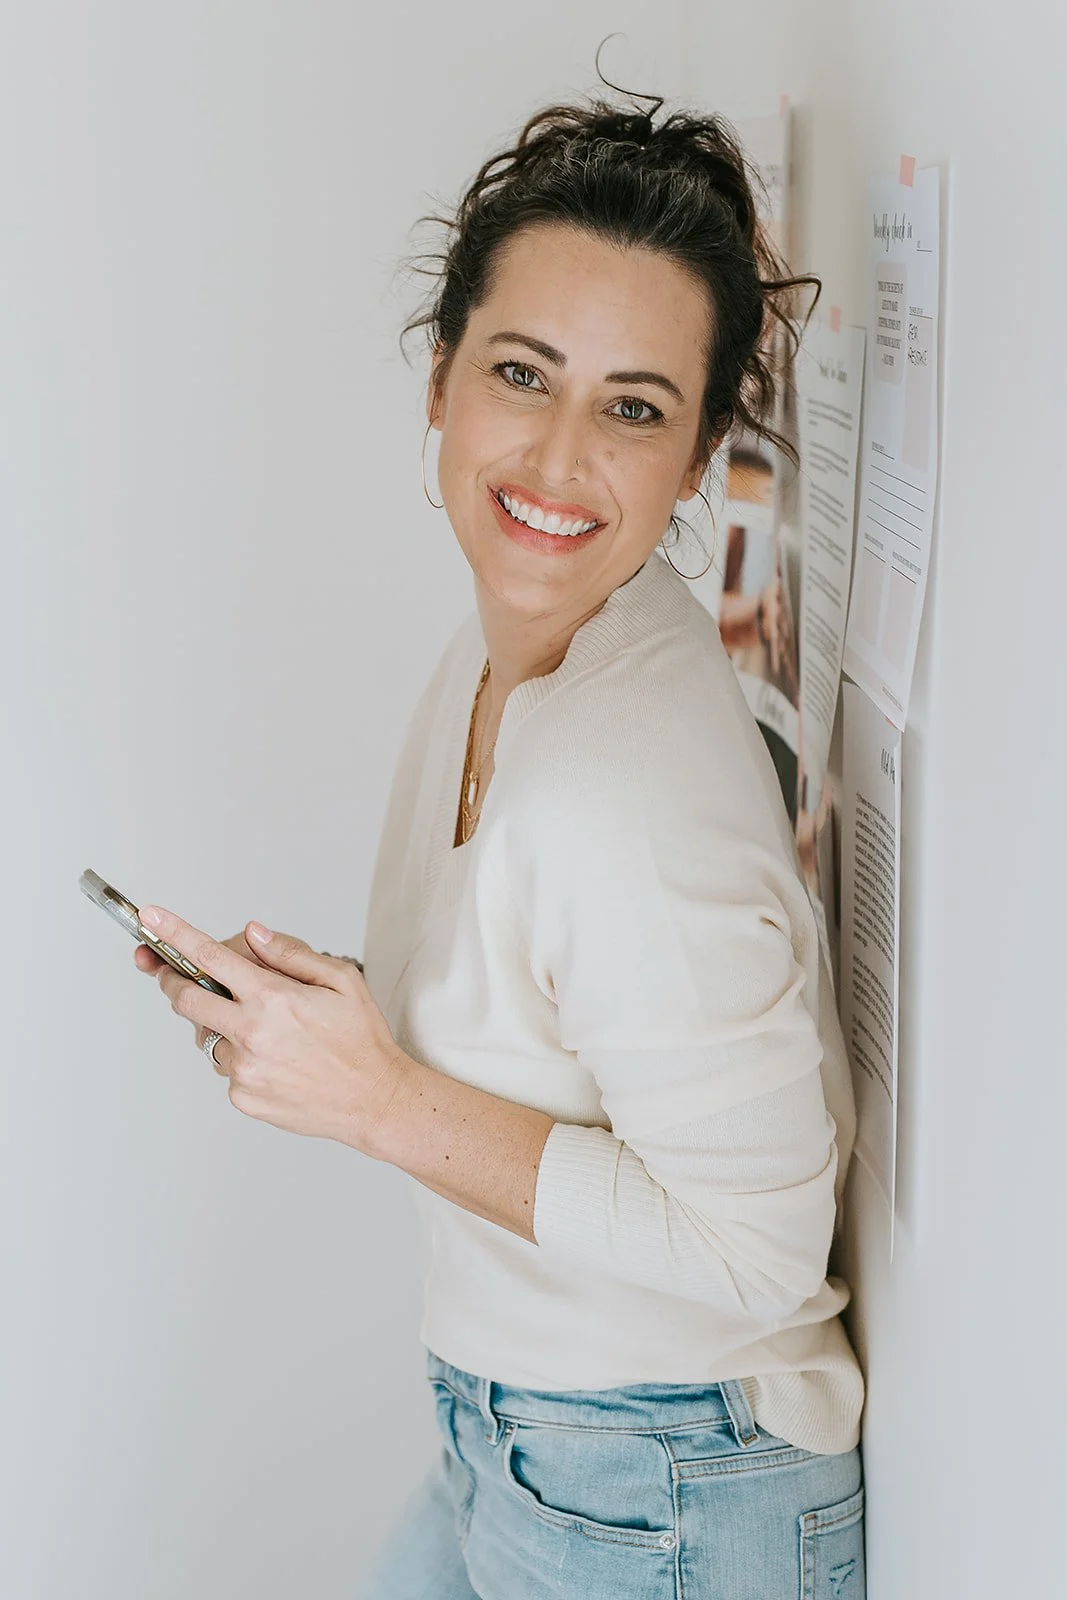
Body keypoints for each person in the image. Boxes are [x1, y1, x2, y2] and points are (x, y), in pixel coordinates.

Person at [134, 83, 866, 1599]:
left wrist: (379, 1101)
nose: (556, 456)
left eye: (634, 407)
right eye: (521, 373)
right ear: (440, 379)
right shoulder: (522, 648)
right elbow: (562, 1005)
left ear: (696, 451)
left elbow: (761, 1249)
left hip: (660, 1483)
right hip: (531, 1439)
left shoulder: (618, 783)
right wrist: (323, 1028)